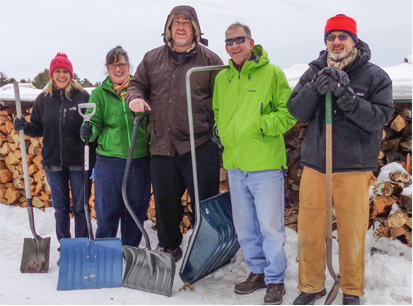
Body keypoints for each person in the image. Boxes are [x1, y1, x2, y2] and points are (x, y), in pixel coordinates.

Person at [287, 15, 393, 305]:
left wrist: (346, 96)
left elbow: (378, 119)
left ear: (353, 41)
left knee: (351, 231)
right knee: (309, 230)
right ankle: (311, 286)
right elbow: (296, 112)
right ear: (325, 42)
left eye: (343, 36)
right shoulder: (314, 71)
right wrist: (315, 88)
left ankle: (352, 289)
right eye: (331, 37)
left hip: (353, 169)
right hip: (316, 165)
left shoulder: (374, 76)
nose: (336, 42)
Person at [127, 5, 223, 262]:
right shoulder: (152, 58)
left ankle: (207, 250)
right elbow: (136, 85)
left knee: (205, 203)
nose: (180, 27)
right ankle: (169, 247)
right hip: (162, 145)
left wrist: (216, 136)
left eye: (186, 22)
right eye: (175, 22)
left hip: (199, 144)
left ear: (195, 28)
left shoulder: (211, 60)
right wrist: (134, 98)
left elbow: (223, 101)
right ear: (168, 28)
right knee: (166, 203)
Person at [212, 22, 296, 305]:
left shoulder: (272, 73)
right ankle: (257, 271)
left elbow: (289, 113)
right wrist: (219, 129)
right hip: (235, 164)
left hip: (265, 164)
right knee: (245, 226)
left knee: (270, 227)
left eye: (239, 40)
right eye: (228, 42)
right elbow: (217, 111)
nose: (234, 46)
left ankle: (275, 279)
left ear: (251, 42)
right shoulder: (223, 78)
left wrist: (261, 126)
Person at [13, 53, 92, 254]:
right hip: (53, 162)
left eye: (65, 71)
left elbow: (92, 126)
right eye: (57, 71)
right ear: (52, 74)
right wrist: (25, 127)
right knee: (61, 209)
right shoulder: (43, 99)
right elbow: (38, 128)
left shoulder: (82, 97)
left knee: (81, 208)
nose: (61, 75)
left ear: (71, 74)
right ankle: (65, 247)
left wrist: (89, 133)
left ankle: (81, 246)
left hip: (78, 161)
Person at [80, 46, 151, 248]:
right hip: (109, 161)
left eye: (121, 64)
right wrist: (87, 131)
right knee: (107, 211)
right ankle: (105, 254)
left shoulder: (140, 90)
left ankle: (130, 254)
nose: (118, 69)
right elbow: (93, 123)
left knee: (135, 211)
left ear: (128, 66)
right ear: (108, 68)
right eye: (113, 65)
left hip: (138, 160)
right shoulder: (100, 94)